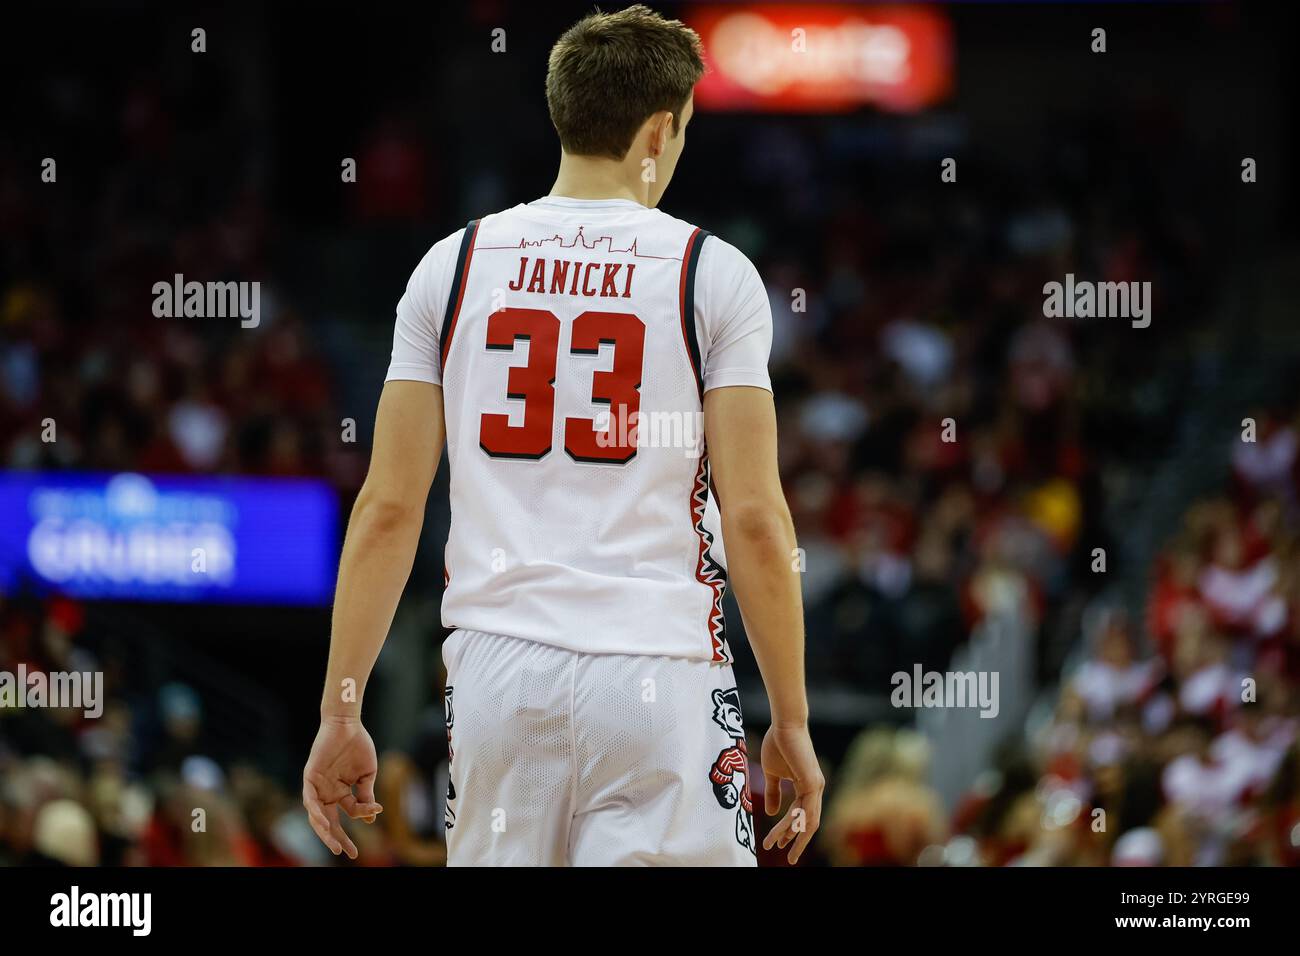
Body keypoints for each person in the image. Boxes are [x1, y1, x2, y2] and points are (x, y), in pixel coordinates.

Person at [302, 4, 822, 866]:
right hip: (659, 669)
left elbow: (389, 509)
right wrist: (792, 718)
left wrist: (340, 709)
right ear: (659, 130)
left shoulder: (453, 264)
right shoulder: (710, 271)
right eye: (684, 130)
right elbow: (759, 520)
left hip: (499, 674)